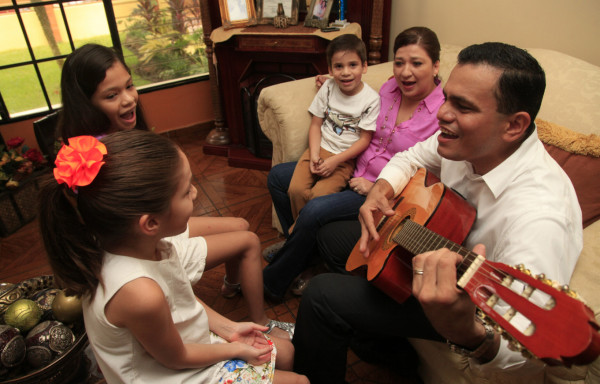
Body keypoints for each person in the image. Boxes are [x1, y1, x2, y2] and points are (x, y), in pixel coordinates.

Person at [292, 42, 583, 383]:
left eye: (463, 106)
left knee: (320, 295)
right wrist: (380, 192)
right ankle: (385, 346)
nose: (442, 113)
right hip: (429, 245)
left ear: (514, 126)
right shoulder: (460, 140)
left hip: (458, 303)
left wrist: (469, 333)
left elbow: (521, 354)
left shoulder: (539, 217)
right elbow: (411, 157)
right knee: (329, 236)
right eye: (447, 97)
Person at [57, 44, 292, 337]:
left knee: (241, 224)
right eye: (112, 95)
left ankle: (231, 287)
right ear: (86, 102)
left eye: (129, 85)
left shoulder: (112, 138)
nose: (129, 99)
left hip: (154, 226)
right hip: (145, 243)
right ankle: (262, 325)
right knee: (248, 240)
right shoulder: (96, 159)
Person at [38, 131, 309, 384]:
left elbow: (182, 299)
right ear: (150, 223)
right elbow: (175, 357)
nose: (195, 192)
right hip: (171, 373)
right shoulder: (139, 292)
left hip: (183, 345)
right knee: (301, 380)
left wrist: (229, 330)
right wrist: (236, 349)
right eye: (186, 190)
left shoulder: (145, 244)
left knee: (284, 351)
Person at [263, 27, 443, 300]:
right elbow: (356, 100)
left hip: (378, 193)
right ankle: (302, 252)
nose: (406, 72)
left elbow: (428, 174)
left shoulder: (442, 113)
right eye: (399, 62)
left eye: (417, 63)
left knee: (314, 208)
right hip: (349, 167)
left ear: (436, 66)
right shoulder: (389, 89)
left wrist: (375, 185)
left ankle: (270, 284)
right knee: (278, 178)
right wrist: (333, 85)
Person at [287, 34, 379, 226]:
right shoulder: (328, 88)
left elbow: (364, 140)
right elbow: (315, 124)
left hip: (343, 160)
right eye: (339, 66)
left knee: (318, 198)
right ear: (330, 69)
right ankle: (299, 232)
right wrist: (313, 155)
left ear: (364, 66)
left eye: (352, 65)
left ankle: (296, 235)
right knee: (295, 190)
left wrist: (335, 161)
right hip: (319, 149)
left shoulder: (371, 99)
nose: (345, 72)